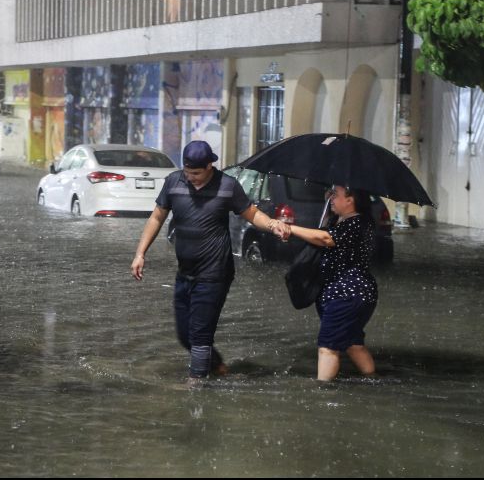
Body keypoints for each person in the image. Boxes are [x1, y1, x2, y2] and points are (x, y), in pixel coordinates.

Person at [131, 140, 289, 381]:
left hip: (215, 273)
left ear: (209, 166)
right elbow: (157, 217)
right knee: (184, 335)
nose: (191, 177)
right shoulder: (174, 182)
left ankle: (196, 389)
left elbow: (252, 213)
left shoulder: (227, 185)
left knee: (200, 335)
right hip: (185, 272)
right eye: (188, 172)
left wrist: (272, 224)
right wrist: (140, 253)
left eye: (196, 173)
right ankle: (217, 367)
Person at [283, 185, 378, 381]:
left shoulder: (357, 222)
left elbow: (325, 238)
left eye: (336, 194)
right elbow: (325, 228)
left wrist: (289, 228)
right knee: (353, 344)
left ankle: (322, 395)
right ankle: (374, 380)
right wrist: (330, 201)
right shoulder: (340, 220)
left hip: (347, 294)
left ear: (350, 200)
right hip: (348, 294)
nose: (331, 197)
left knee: (328, 347)